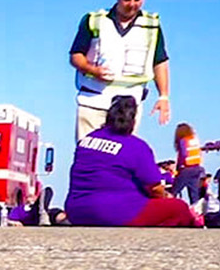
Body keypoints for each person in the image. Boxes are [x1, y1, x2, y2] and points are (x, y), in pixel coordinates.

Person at [63, 96, 200, 227]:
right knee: (178, 207)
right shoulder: (136, 146)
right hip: (114, 212)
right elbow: (155, 188)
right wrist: (167, 197)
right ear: (133, 121)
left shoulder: (86, 140)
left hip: (77, 211)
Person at [70, 0, 171, 141]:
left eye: (137, 0)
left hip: (129, 105)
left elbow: (160, 61)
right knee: (89, 154)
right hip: (93, 100)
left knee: (122, 158)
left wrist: (164, 96)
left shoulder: (151, 26)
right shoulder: (94, 20)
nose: (132, 4)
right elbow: (75, 56)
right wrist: (92, 70)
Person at [172, 123, 205, 205]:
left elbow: (183, 155)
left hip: (187, 169)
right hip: (197, 168)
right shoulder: (194, 140)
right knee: (194, 195)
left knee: (173, 192)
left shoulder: (183, 141)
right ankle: (197, 215)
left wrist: (178, 167)